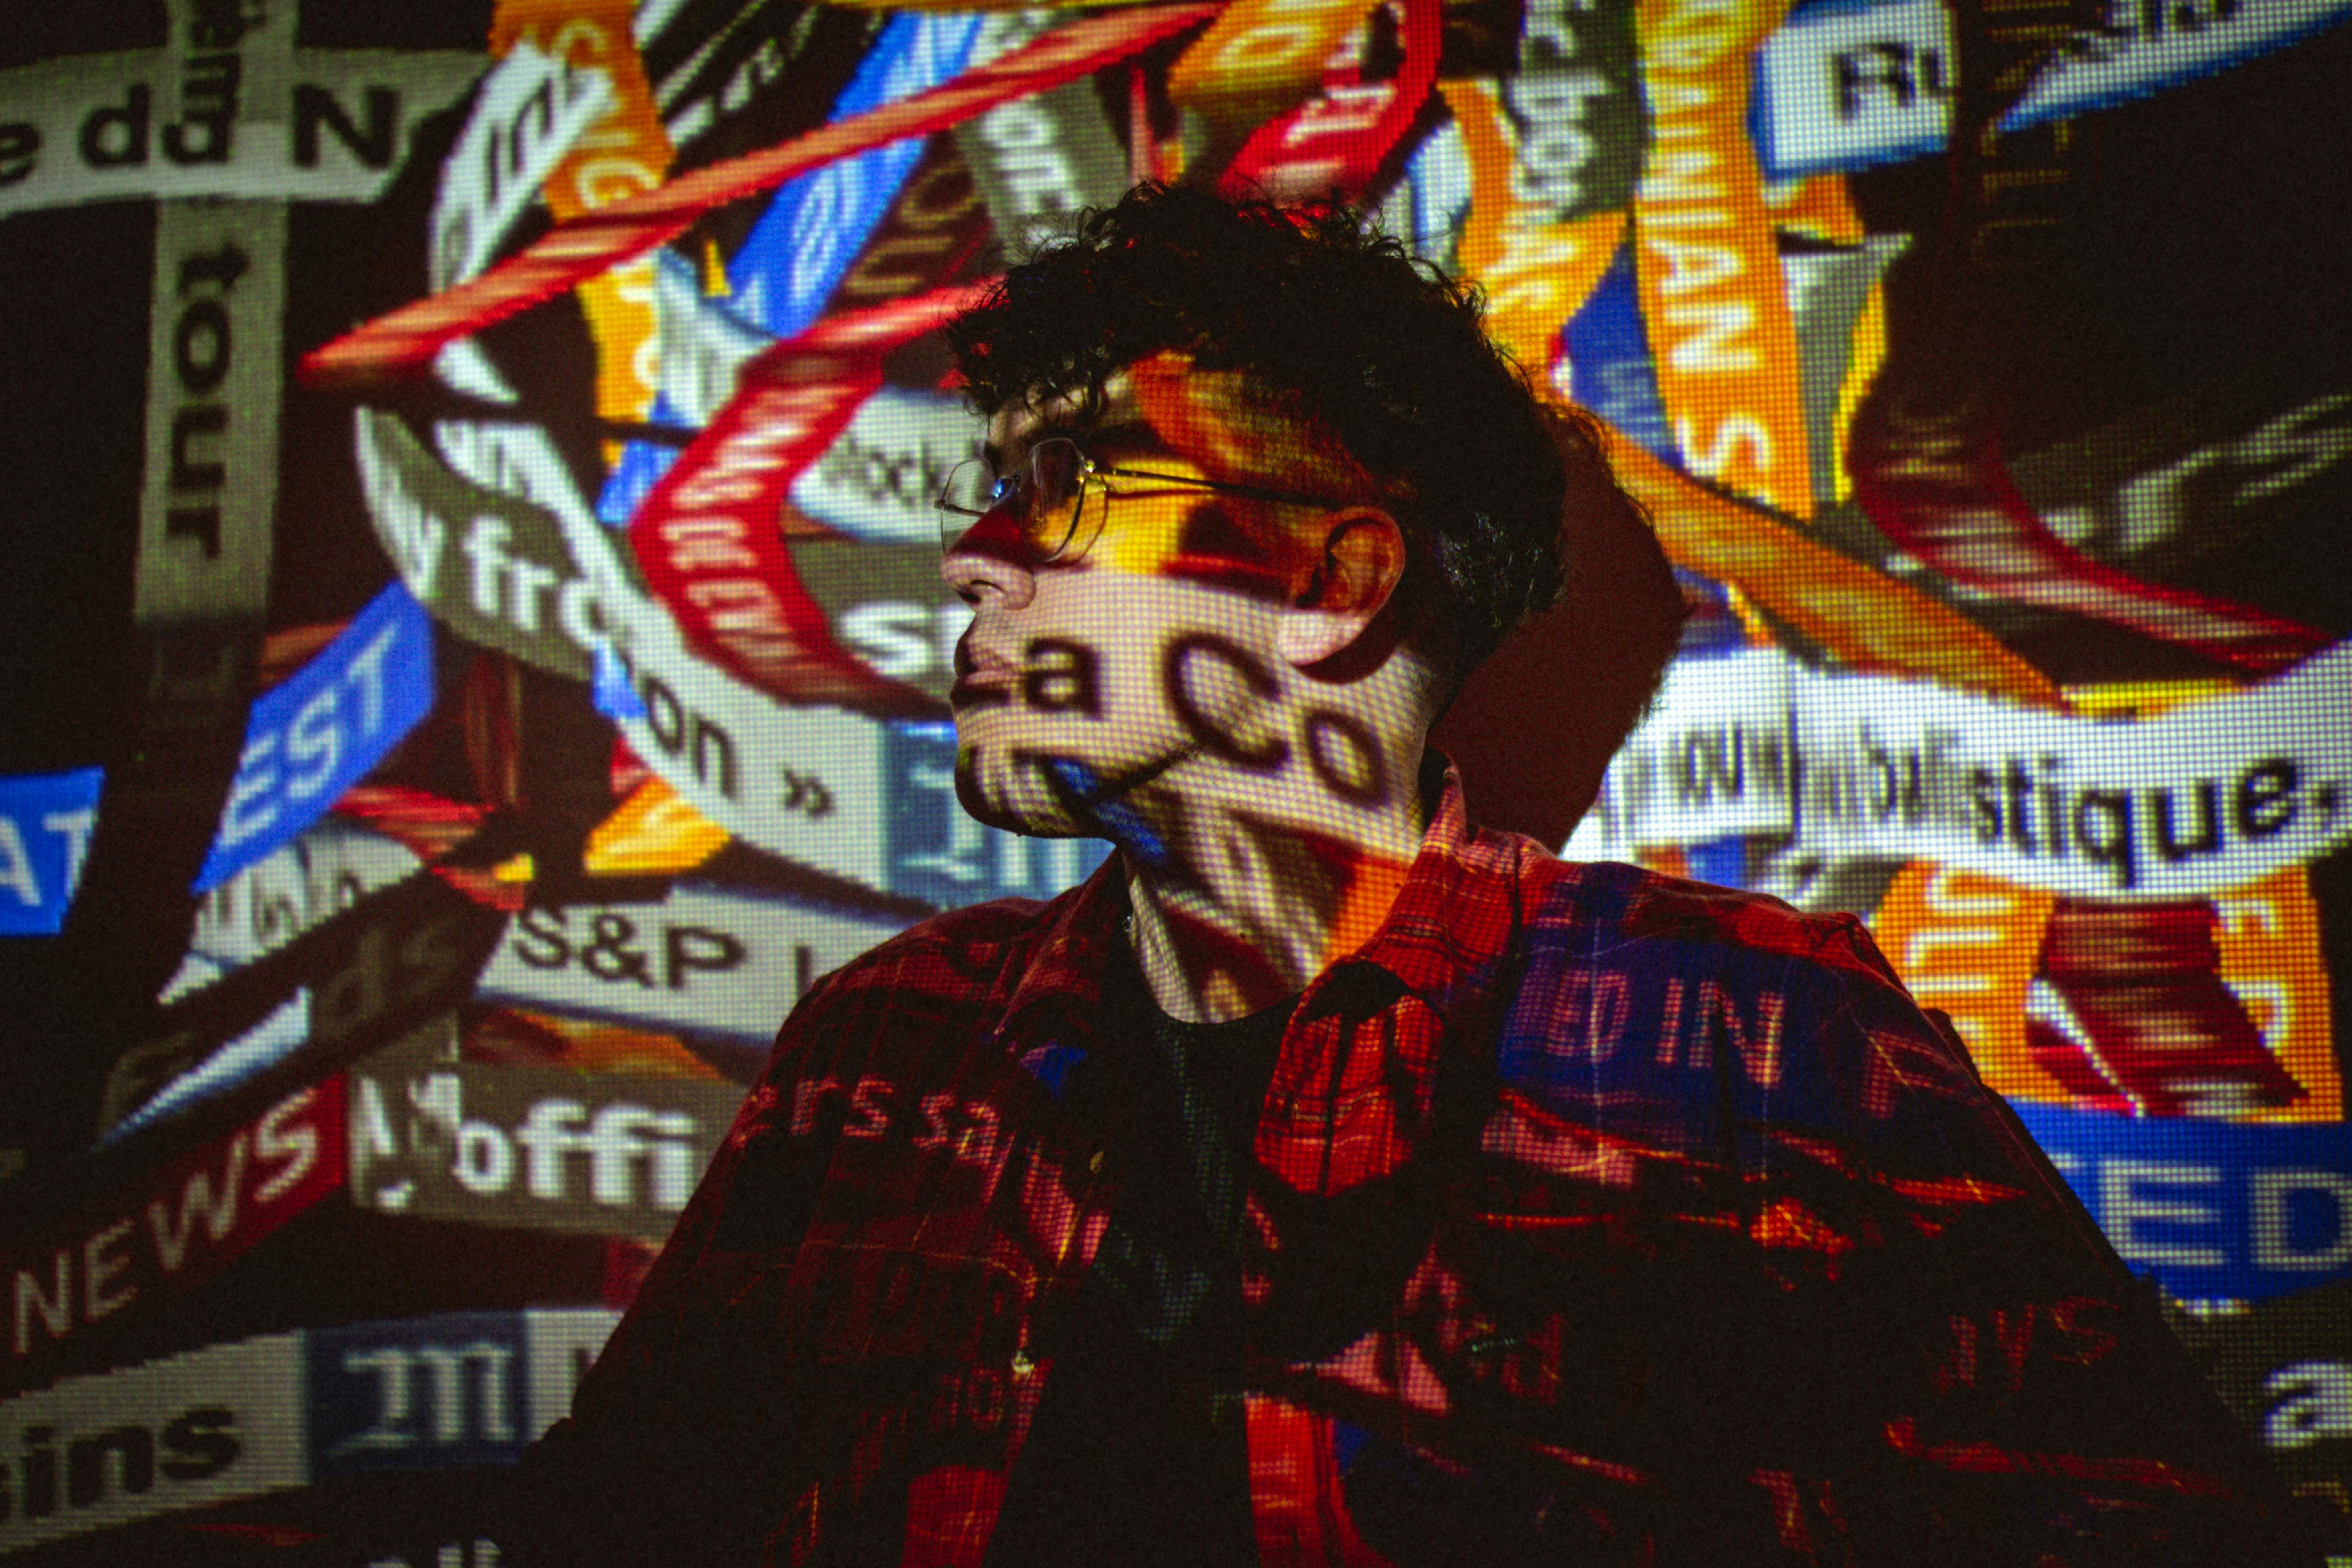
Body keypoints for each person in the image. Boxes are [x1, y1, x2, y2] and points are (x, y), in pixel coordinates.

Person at [506, 184, 2317, 1566]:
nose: (978, 561)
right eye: (996, 486)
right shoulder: (888, 1050)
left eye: (1072, 488)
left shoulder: (1747, 1045)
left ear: (1329, 583)